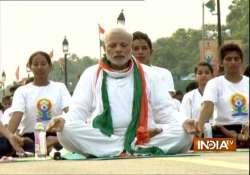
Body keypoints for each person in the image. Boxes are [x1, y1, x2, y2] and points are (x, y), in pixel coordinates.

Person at [47, 27, 192, 157]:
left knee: (184, 134)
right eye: (113, 45)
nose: (118, 49)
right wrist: (63, 120)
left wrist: (184, 122)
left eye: (123, 45)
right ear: (105, 48)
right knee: (66, 131)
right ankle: (131, 147)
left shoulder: (150, 74)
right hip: (104, 136)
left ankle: (123, 147)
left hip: (144, 135)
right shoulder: (91, 73)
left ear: (130, 48)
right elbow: (79, 110)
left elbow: (165, 110)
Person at [7, 51, 71, 155]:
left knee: (70, 144)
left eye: (43, 64)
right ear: (30, 67)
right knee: (12, 147)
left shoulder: (60, 87)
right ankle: (47, 148)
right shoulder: (22, 91)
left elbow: (70, 113)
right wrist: (9, 137)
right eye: (35, 64)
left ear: (49, 66)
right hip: (31, 138)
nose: (39, 67)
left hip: (55, 136)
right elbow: (16, 116)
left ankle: (51, 144)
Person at [188, 43, 249, 147]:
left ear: (241, 62)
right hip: (222, 134)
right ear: (221, 63)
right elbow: (207, 106)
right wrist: (199, 128)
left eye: (236, 59)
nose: (233, 62)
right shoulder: (214, 83)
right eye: (228, 59)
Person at [181, 62, 214, 137]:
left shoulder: (219, 94)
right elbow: (184, 116)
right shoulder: (188, 96)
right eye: (200, 73)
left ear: (212, 76)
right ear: (196, 76)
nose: (203, 75)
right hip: (195, 133)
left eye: (207, 73)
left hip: (217, 133)